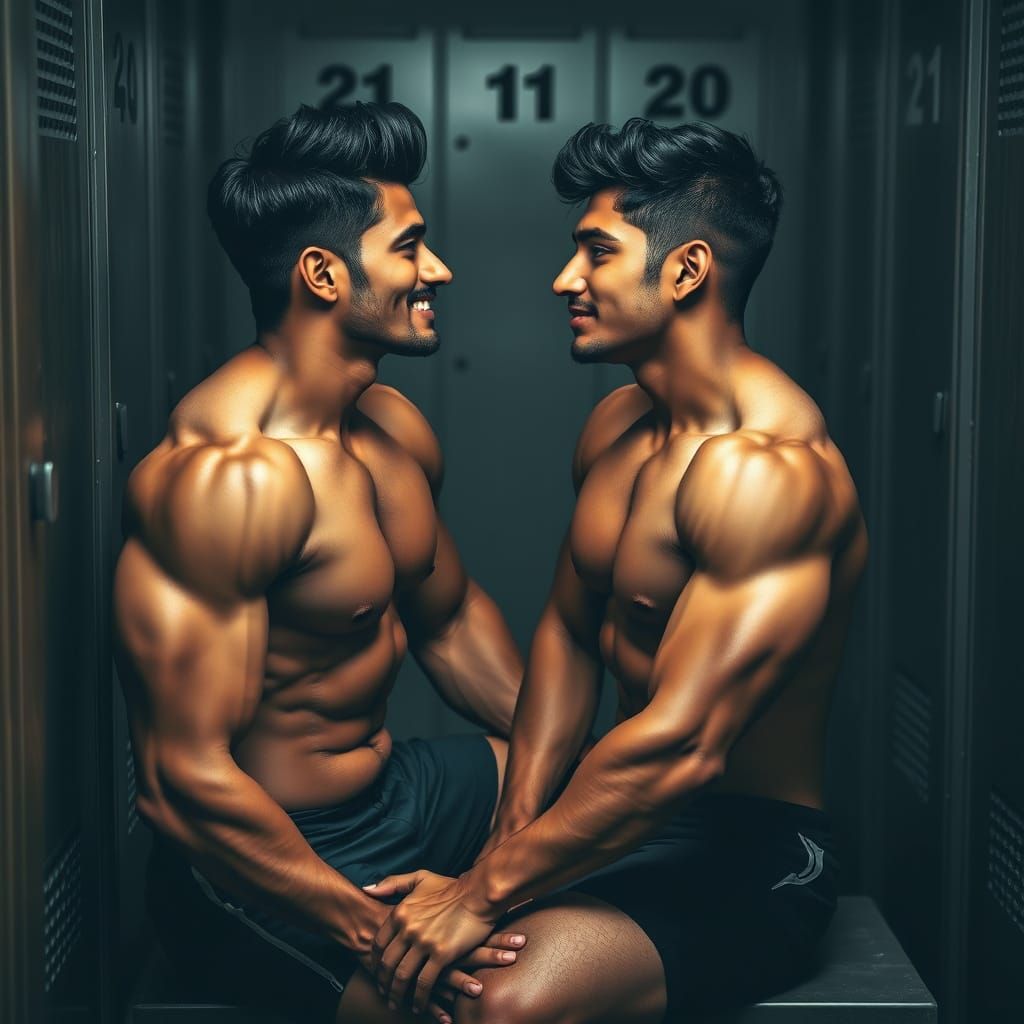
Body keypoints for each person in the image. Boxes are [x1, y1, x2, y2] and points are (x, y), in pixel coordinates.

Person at [367, 119, 869, 1023]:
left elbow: (682, 744)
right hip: (620, 823)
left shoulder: (768, 473)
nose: (567, 279)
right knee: (395, 969)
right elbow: (569, 632)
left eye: (597, 252)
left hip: (751, 845)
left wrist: (483, 891)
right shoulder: (620, 431)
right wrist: (510, 837)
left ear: (687, 271)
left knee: (493, 1000)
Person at [112, 102, 527, 1024]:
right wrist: (380, 932)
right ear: (323, 274)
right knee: (468, 1012)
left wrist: (557, 777)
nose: (439, 271)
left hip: (398, 793)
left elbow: (451, 626)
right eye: (412, 247)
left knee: (614, 805)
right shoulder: (228, 478)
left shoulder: (392, 431)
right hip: (272, 859)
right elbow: (184, 782)